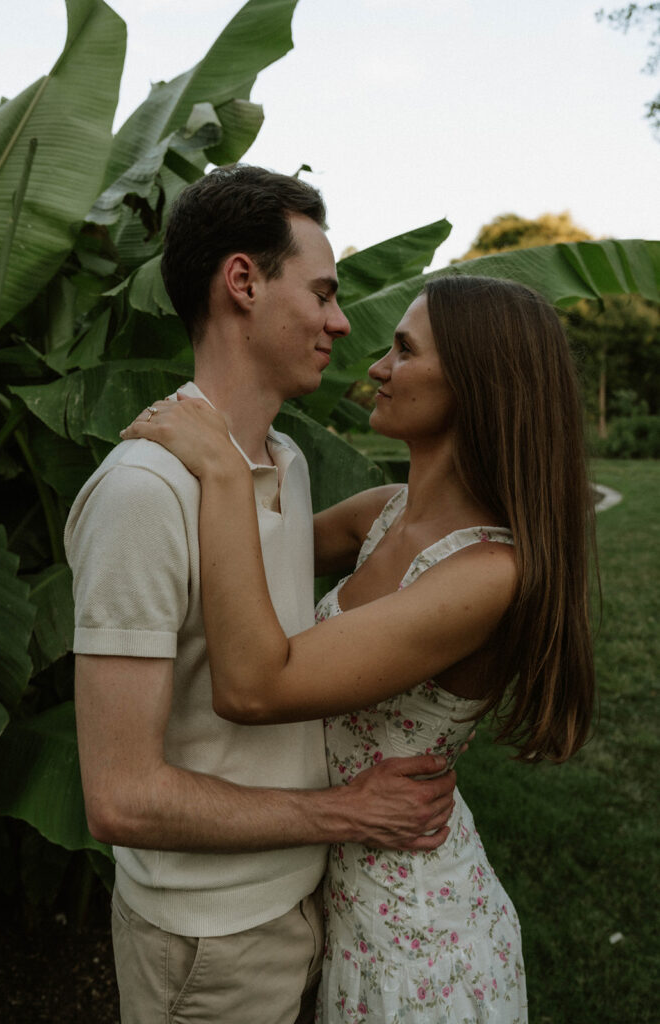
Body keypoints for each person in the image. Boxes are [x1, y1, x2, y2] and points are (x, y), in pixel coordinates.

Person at [121, 273, 597, 1022]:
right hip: (334, 890)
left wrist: (218, 468)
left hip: (414, 939)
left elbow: (254, 686)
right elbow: (241, 567)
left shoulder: (484, 574)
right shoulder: (383, 512)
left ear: (476, 385)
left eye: (403, 350)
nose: (375, 366)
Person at [64, 165, 460, 1024]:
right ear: (242, 282)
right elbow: (120, 796)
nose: (340, 321)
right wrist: (343, 811)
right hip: (208, 943)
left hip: (298, 908)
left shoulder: (287, 462)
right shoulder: (145, 491)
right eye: (321, 292)